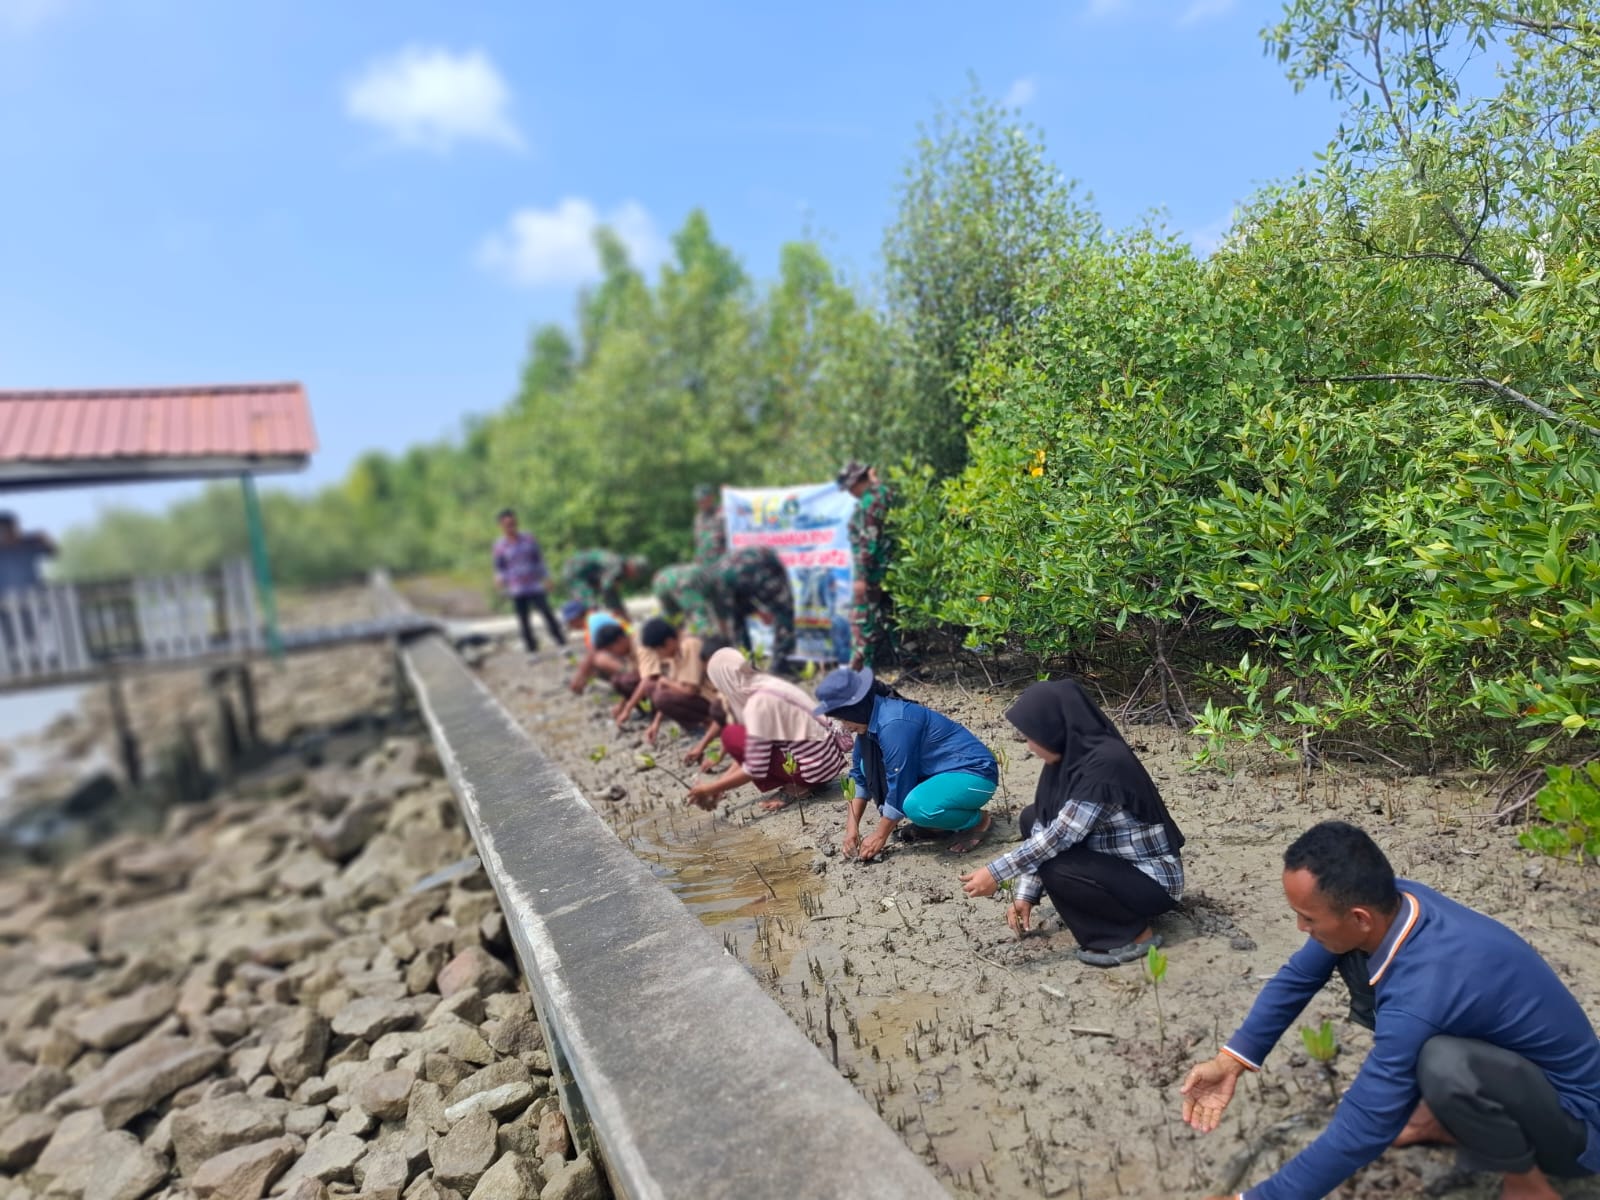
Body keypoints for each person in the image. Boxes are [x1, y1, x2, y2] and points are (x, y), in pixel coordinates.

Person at [1182, 821, 1600, 1200]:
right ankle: (1438, 1119)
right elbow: (1297, 978)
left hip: (1577, 1130)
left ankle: (1528, 1185)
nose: (1300, 929)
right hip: (1515, 1077)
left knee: (1445, 1064)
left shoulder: (1423, 990)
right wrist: (1231, 1061)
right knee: (1357, 972)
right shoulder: (1394, 901)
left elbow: (1365, 1124)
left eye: (1307, 918)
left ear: (1359, 917)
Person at [959, 679, 1185, 967]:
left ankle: (1133, 935)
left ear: (1055, 729)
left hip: (1154, 883)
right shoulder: (1067, 761)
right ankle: (1113, 917)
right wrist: (1025, 895)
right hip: (1117, 868)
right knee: (1031, 817)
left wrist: (995, 872)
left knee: (1057, 865)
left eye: (1033, 736)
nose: (1029, 745)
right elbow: (1042, 828)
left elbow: (1058, 838)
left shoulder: (1104, 765)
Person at [813, 666, 998, 861]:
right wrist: (851, 830)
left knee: (918, 806)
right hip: (939, 774)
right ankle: (939, 825)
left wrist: (879, 835)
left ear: (856, 708)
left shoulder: (893, 723)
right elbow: (859, 779)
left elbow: (900, 784)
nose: (844, 726)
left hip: (975, 773)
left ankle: (978, 821)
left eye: (843, 717)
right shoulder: (868, 727)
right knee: (863, 767)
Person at [687, 648, 848, 813]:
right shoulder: (765, 683)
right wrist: (721, 784)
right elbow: (753, 747)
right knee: (741, 735)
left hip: (814, 769)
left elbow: (754, 767)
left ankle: (798, 788)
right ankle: (804, 782)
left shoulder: (758, 703)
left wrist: (710, 788)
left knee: (731, 735)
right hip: (829, 759)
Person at [619, 618, 727, 757]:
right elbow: (673, 687)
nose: (659, 655)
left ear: (669, 642)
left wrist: (666, 682)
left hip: (714, 698)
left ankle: (708, 725)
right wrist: (656, 723)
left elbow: (689, 689)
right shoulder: (676, 652)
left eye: (658, 650)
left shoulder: (689, 645)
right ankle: (706, 727)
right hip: (703, 697)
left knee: (660, 693)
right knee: (655, 688)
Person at [837, 461, 896, 670]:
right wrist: (874, 480)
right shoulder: (881, 495)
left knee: (861, 620)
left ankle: (859, 669)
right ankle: (908, 663)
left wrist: (861, 577)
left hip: (871, 572)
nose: (850, 493)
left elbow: (867, 543)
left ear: (855, 483)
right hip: (886, 569)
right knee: (890, 617)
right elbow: (883, 490)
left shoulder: (868, 503)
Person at [708, 546, 797, 675]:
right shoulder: (723, 585)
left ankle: (773, 668)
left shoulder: (719, 581)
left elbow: (733, 613)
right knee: (784, 614)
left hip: (757, 567)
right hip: (746, 572)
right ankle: (771, 668)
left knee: (782, 614)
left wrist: (762, 609)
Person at [491, 509, 565, 653]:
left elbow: (539, 560)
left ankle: (561, 643)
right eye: (507, 524)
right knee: (524, 620)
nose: (511, 527)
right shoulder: (499, 546)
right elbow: (500, 567)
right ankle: (532, 649)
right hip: (517, 588)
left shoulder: (528, 538)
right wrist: (499, 580)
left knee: (547, 612)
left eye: (513, 523)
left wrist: (547, 577)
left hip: (534, 585)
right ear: (501, 526)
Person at [561, 549, 647, 618]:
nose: (634, 577)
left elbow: (609, 588)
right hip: (575, 573)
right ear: (631, 565)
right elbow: (607, 588)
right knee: (592, 608)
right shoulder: (617, 566)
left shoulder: (620, 567)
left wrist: (620, 610)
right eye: (636, 573)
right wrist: (618, 611)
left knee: (594, 606)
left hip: (588, 575)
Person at [651, 563, 719, 637]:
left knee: (695, 613)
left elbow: (671, 613)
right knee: (701, 610)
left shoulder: (659, 583)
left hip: (682, 583)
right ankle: (711, 635)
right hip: (700, 573)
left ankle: (707, 638)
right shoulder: (670, 572)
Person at [0, 512, 54, 593]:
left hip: (34, 595)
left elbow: (52, 552)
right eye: (5, 530)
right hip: (5, 599)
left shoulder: (27, 544)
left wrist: (44, 538)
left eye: (14, 528)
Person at [692, 484, 726, 566]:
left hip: (721, 562)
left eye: (703, 500)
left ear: (711, 498)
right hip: (702, 562)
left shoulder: (722, 514)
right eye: (698, 500)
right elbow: (698, 541)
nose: (700, 503)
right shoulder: (698, 518)